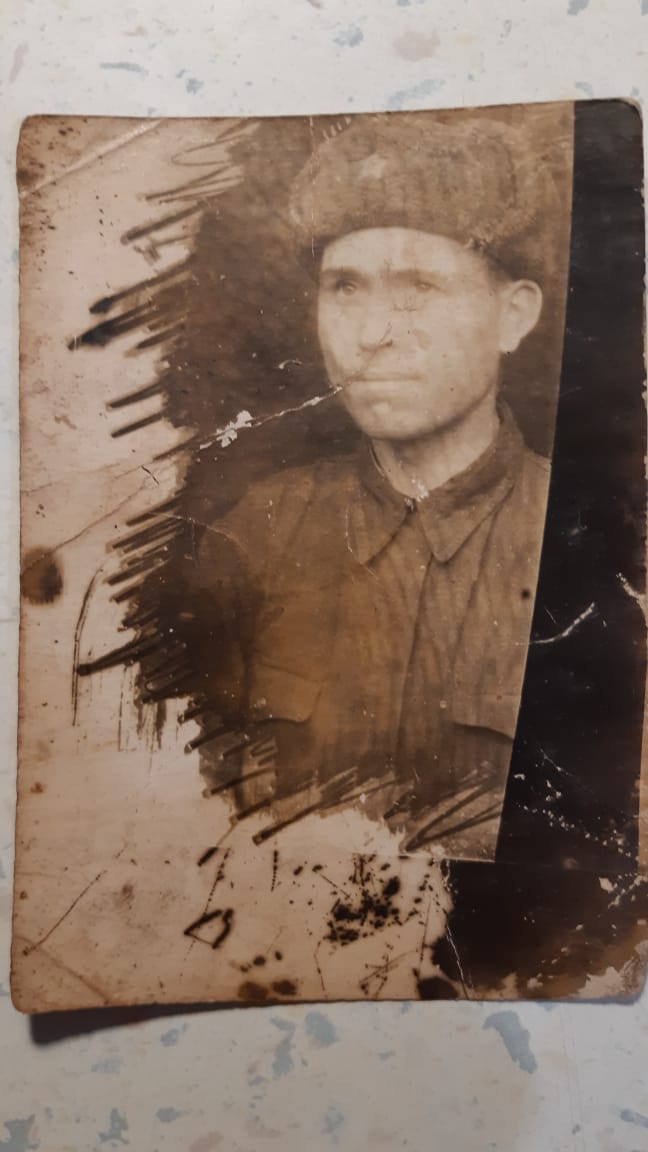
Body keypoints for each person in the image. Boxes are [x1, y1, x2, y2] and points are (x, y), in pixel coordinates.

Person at [184, 114, 555, 859]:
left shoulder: (589, 541)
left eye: (419, 286)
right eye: (346, 287)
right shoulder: (253, 533)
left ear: (512, 316)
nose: (373, 332)